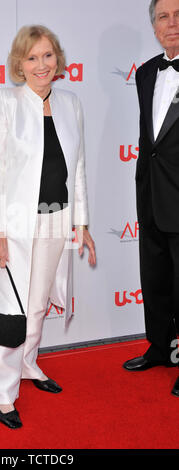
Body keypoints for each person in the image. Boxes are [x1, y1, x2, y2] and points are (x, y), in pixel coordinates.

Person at [0, 24, 96, 429]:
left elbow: (76, 169)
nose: (41, 64)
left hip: (58, 220)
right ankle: (2, 394)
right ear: (19, 65)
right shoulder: (6, 101)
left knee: (38, 303)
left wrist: (82, 222)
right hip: (16, 225)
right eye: (32, 57)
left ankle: (29, 365)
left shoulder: (71, 103)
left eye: (47, 55)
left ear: (57, 60)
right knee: (12, 308)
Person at [123, 0, 179, 397]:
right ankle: (161, 348)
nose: (172, 23)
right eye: (163, 16)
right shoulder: (145, 73)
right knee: (155, 279)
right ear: (154, 26)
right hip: (151, 195)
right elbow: (151, 141)